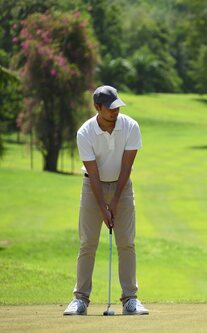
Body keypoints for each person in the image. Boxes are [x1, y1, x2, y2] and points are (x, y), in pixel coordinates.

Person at [64, 85, 149, 315]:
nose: (115, 112)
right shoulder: (85, 132)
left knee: (126, 243)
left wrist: (116, 200)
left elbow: (126, 167)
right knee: (88, 243)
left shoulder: (131, 126)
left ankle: (130, 299)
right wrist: (103, 208)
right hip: (93, 187)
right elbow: (93, 174)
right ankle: (80, 299)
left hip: (122, 185)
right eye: (110, 108)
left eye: (117, 107)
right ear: (97, 107)